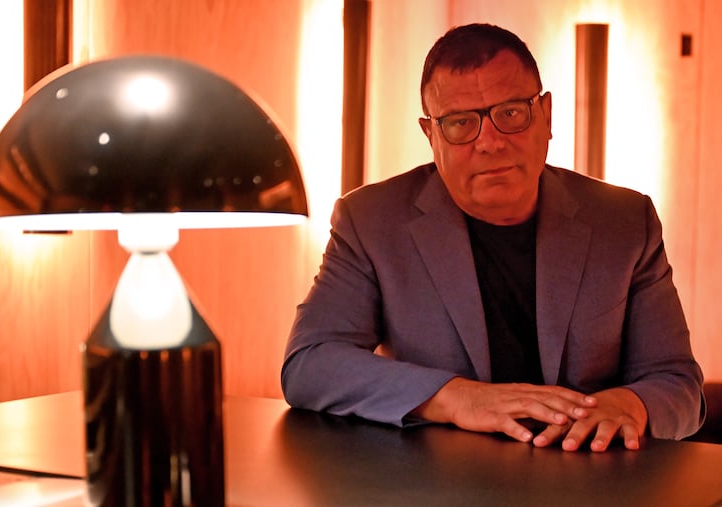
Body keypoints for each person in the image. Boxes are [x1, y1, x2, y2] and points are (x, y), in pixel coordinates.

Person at [281, 23, 705, 452]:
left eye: (511, 114)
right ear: (431, 135)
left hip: (590, 472)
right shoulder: (373, 221)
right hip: (436, 477)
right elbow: (310, 364)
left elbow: (679, 384)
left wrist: (630, 405)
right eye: (460, 123)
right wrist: (455, 398)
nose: (490, 142)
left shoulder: (625, 222)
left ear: (546, 116)